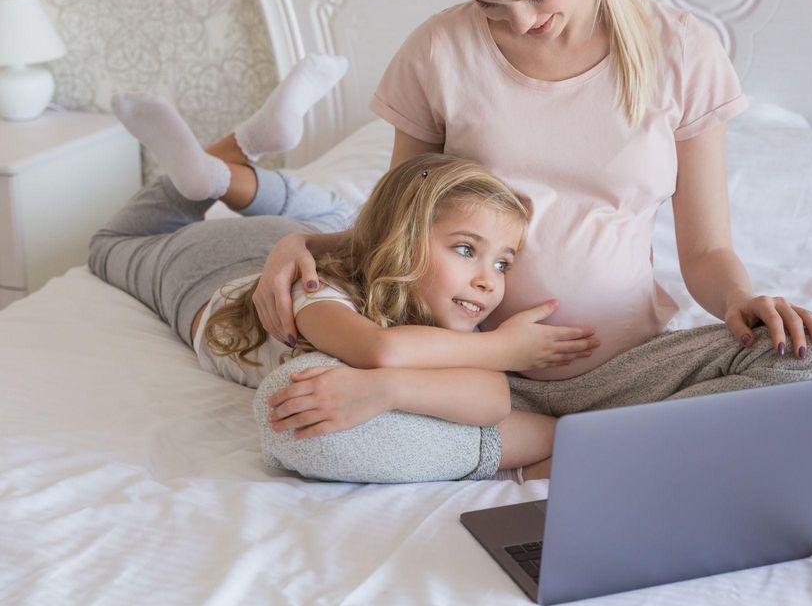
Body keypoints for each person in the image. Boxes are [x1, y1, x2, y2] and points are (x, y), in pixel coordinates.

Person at [251, 0, 812, 482]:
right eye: (489, 5)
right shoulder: (437, 52)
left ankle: (545, 453)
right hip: (470, 382)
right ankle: (610, 453)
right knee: (294, 413)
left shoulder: (680, 49)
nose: (519, 20)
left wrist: (741, 301)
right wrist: (298, 243)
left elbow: (707, 250)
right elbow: (398, 227)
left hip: (633, 377)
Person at [89, 73, 599, 483]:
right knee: (111, 244)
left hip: (310, 234)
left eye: (503, 263)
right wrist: (505, 350)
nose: (489, 280)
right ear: (404, 239)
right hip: (203, 275)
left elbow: (492, 400)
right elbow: (379, 352)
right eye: (467, 249)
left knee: (331, 210)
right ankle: (217, 167)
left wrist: (397, 389)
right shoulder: (319, 296)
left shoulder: (453, 304)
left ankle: (229, 162)